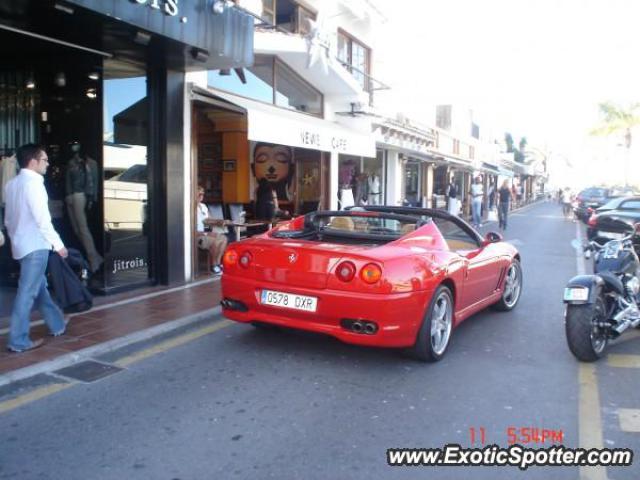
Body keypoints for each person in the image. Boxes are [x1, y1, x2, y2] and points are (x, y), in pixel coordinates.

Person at [4, 144, 68, 352]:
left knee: (38, 288)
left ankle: (57, 324)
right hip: (35, 246)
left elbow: (9, 220)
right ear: (33, 162)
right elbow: (43, 220)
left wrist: (15, 239)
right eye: (45, 160)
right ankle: (18, 341)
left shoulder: (11, 185)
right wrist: (59, 245)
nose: (48, 164)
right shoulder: (34, 185)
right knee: (27, 293)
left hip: (21, 246)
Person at [65, 142, 102, 272]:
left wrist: (92, 200)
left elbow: (94, 183)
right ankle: (95, 256)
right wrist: (68, 194)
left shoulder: (91, 163)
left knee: (83, 229)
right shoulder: (71, 162)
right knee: (77, 229)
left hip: (81, 196)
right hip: (72, 195)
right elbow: (68, 180)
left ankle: (93, 260)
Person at [196, 186, 227, 275]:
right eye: (199, 194)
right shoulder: (190, 208)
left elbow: (209, 219)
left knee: (224, 238)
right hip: (197, 235)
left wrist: (220, 221)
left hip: (204, 234)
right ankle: (213, 266)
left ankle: (217, 263)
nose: (201, 196)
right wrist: (207, 233)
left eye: (203, 194)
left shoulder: (203, 206)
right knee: (216, 241)